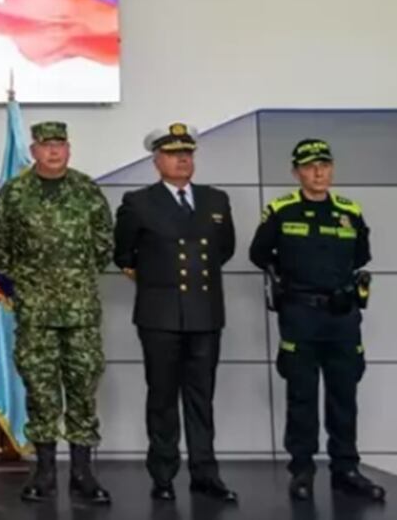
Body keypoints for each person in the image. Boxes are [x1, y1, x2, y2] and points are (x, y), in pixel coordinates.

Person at [248, 139, 385, 502]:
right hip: (300, 317)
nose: (319, 172)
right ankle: (302, 471)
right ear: (296, 172)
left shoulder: (350, 211)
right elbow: (259, 254)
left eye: (325, 164)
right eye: (310, 166)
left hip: (342, 319)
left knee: (344, 396)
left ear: (332, 168)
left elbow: (361, 255)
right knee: (302, 397)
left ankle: (346, 469)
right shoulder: (281, 211)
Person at [0, 121, 113, 504]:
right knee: (40, 391)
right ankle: (43, 473)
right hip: (36, 311)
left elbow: (104, 245)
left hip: (81, 311)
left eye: (60, 145)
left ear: (69, 149)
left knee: (83, 387)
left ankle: (82, 472)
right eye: (46, 145)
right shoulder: (14, 194)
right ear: (35, 150)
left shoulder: (87, 190)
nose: (54, 152)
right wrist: (26, 284)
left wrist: (74, 281)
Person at [112, 123, 237, 503]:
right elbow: (123, 253)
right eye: (173, 153)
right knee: (162, 398)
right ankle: (163, 475)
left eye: (188, 153)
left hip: (205, 314)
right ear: (156, 160)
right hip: (160, 315)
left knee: (201, 398)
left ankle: (205, 473)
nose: (183, 159)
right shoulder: (139, 202)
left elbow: (224, 250)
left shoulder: (215, 200)